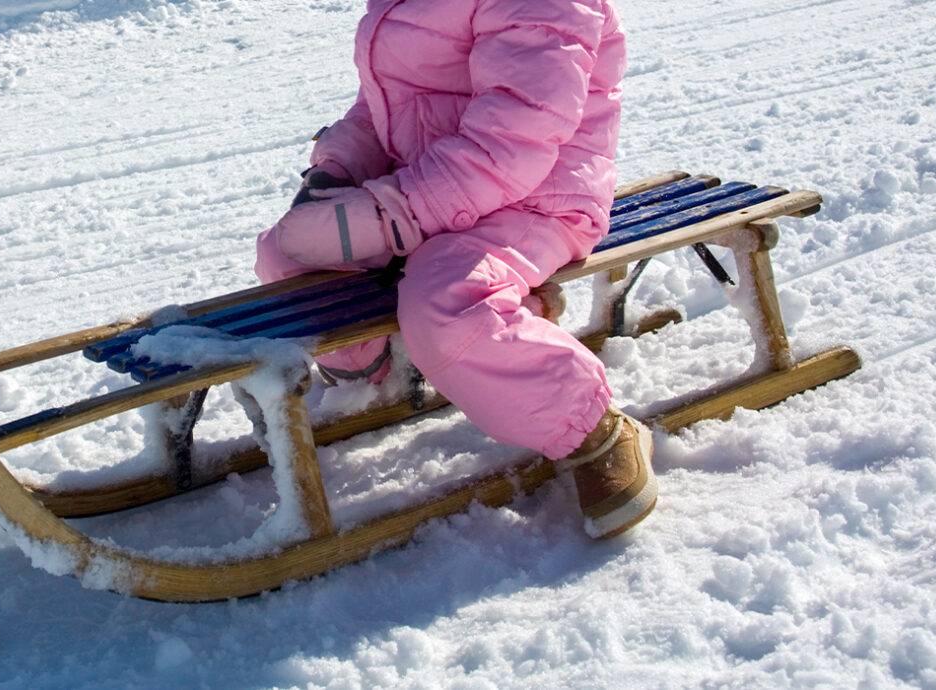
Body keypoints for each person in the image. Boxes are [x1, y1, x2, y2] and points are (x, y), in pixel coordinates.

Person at [254, 0, 655, 538]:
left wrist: (391, 217)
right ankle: (375, 379)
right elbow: (386, 105)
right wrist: (338, 169)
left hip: (536, 198)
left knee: (446, 300)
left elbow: (512, 141)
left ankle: (592, 428)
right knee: (288, 255)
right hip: (429, 184)